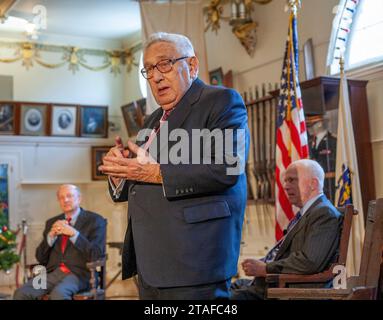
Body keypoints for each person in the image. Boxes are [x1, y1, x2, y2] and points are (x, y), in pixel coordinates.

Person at [99, 32, 249, 300]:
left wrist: (154, 172)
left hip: (193, 261)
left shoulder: (221, 101)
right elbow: (140, 180)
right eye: (148, 69)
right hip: (150, 264)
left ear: (191, 66)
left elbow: (226, 168)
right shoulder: (152, 119)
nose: (155, 76)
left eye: (164, 64)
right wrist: (120, 171)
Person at [230, 159, 341, 300]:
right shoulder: (307, 213)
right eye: (285, 181)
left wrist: (265, 268)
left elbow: (310, 262)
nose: (286, 186)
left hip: (287, 290)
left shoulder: (324, 213)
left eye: (292, 180)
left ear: (313, 184)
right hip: (270, 284)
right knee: (223, 289)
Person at [13, 184, 106, 300]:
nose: (65, 200)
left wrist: (74, 234)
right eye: (61, 197)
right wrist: (50, 238)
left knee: (59, 294)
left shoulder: (95, 220)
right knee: (21, 292)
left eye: (69, 196)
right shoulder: (52, 222)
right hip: (51, 273)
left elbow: (96, 254)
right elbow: (40, 257)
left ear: (79, 198)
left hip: (80, 274)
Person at [307, 115, 337, 202]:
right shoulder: (310, 143)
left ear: (319, 124)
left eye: (312, 125)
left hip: (329, 184)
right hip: (314, 186)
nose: (309, 128)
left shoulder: (332, 141)